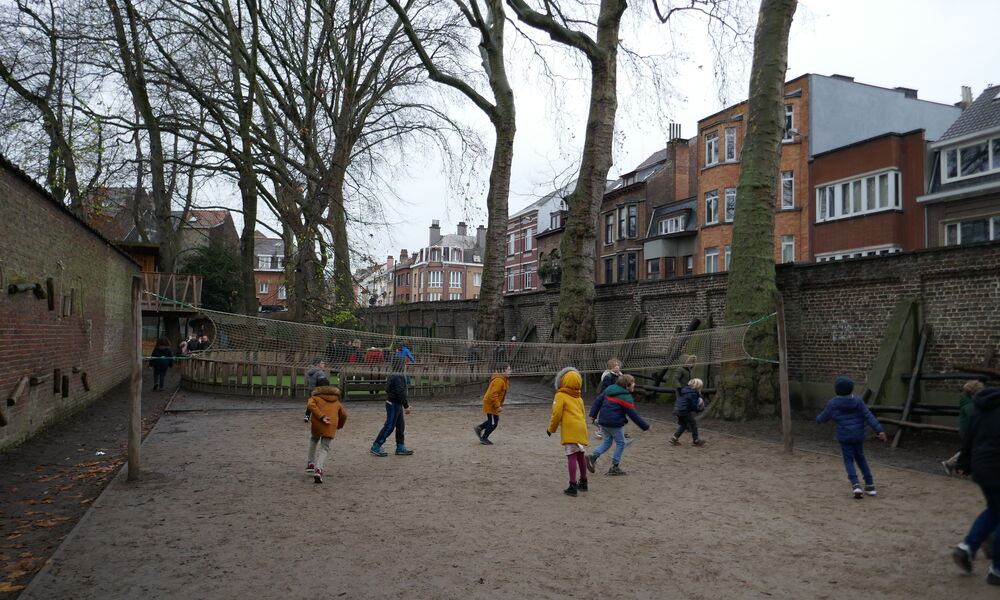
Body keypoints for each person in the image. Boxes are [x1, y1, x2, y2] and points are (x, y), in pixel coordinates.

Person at [952, 386, 1000, 585]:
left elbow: (969, 437)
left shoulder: (981, 406)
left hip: (982, 467)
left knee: (994, 510)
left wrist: (964, 463)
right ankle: (997, 569)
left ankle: (968, 547)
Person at [815, 376, 888, 499]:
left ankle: (856, 484)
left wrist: (818, 419)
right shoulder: (858, 401)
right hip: (858, 435)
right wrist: (879, 430)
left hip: (845, 436)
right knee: (861, 458)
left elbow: (823, 417)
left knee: (849, 460)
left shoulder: (833, 403)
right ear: (851, 389)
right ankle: (870, 485)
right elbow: (869, 416)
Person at [587, 374, 651, 476]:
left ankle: (593, 456)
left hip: (603, 421)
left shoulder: (609, 390)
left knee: (607, 442)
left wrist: (593, 415)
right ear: (627, 385)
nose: (634, 384)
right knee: (621, 443)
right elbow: (633, 414)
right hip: (615, 424)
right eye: (633, 382)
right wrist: (645, 426)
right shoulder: (626, 397)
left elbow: (597, 402)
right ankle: (614, 467)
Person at [546, 367, 589, 497]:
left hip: (570, 429)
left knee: (571, 456)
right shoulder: (579, 398)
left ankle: (572, 485)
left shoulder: (560, 395)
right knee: (580, 455)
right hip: (581, 427)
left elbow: (556, 414)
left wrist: (551, 429)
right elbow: (582, 413)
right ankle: (584, 481)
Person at [305, 378, 347, 484]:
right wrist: (339, 426)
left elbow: (310, 405)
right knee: (325, 448)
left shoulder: (314, 398)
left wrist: (321, 416)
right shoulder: (336, 401)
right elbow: (344, 415)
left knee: (314, 440)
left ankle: (310, 463)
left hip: (317, 424)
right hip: (330, 425)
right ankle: (318, 469)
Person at [370, 355, 413, 457]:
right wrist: (406, 406)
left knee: (400, 426)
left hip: (396, 403)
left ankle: (400, 446)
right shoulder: (397, 376)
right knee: (389, 426)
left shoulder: (397, 374)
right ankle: (376, 445)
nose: (406, 365)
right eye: (404, 363)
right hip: (393, 404)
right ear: (399, 364)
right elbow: (400, 393)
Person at [943, 380, 986, 475]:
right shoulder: (970, 406)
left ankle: (950, 463)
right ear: (973, 394)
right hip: (970, 432)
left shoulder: (974, 402)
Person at [474, 363, 511, 445]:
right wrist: (498, 406)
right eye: (508, 370)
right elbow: (493, 394)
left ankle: (479, 428)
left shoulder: (503, 379)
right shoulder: (499, 380)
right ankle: (484, 438)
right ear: (502, 371)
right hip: (491, 403)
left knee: (494, 420)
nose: (510, 371)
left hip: (493, 403)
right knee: (493, 423)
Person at [669, 378, 707, 447]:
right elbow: (693, 405)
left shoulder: (685, 390)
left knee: (684, 425)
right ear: (698, 386)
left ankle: (674, 438)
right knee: (693, 424)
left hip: (677, 409)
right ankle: (696, 441)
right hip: (684, 411)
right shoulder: (693, 394)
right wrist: (699, 409)